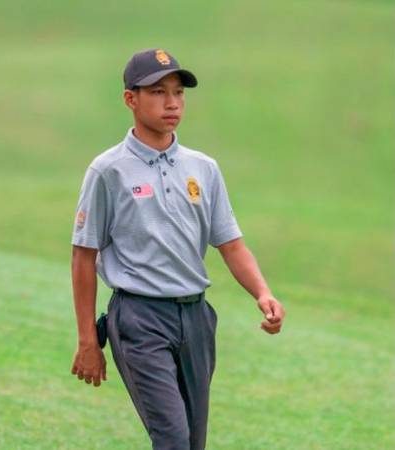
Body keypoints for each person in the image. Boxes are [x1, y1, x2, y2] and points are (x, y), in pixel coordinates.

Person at [70, 48, 286, 450]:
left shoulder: (203, 168)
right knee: (172, 439)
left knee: (192, 442)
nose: (171, 103)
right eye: (157, 92)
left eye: (178, 93)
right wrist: (87, 340)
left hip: (197, 318)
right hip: (139, 318)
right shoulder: (107, 170)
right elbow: (83, 256)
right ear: (130, 99)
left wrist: (263, 293)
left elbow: (230, 242)